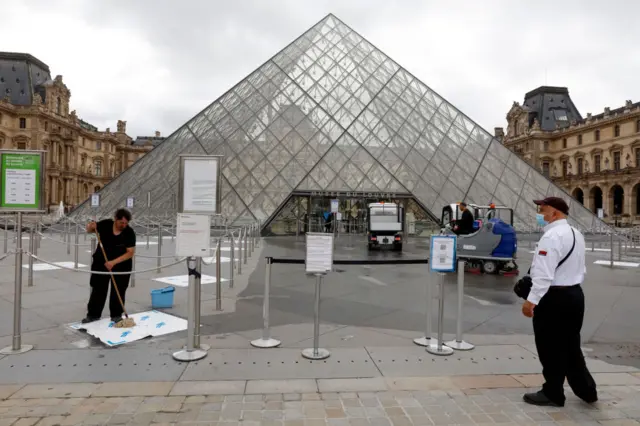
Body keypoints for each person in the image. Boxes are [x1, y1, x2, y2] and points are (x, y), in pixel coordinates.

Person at [521, 196, 597, 407]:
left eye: (542, 209)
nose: (539, 213)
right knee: (571, 344)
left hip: (554, 298)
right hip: (574, 295)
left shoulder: (552, 236)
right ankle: (587, 390)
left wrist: (531, 301)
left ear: (554, 213)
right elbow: (581, 268)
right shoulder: (576, 234)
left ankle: (553, 392)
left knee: (549, 346)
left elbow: (544, 275)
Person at [82, 208, 136, 324]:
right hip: (101, 262)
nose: (124, 225)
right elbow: (89, 230)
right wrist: (91, 227)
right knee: (98, 288)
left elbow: (130, 252)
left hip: (121, 264)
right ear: (115, 219)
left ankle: (116, 315)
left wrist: (113, 262)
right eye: (122, 222)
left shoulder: (129, 232)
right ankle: (93, 314)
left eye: (126, 223)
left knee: (119, 290)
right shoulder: (106, 224)